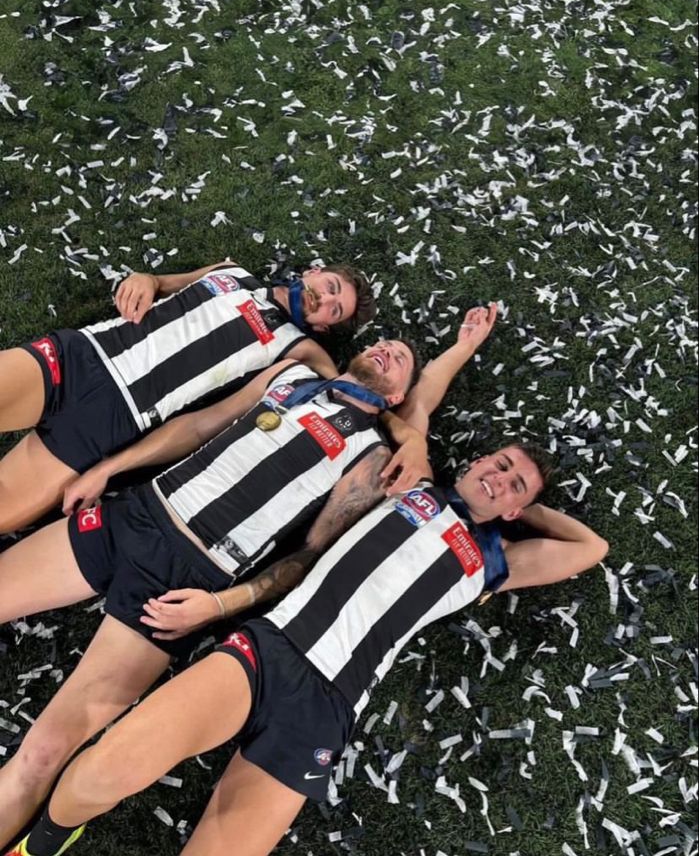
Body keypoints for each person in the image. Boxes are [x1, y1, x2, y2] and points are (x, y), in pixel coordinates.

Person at [9, 365, 609, 856]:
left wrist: (519, 508)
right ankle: (40, 846)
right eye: (499, 465)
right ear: (475, 462)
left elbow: (590, 549)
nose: (501, 480)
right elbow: (414, 407)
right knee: (98, 774)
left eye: (516, 486)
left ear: (516, 512)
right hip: (268, 648)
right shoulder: (408, 479)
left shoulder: (494, 563)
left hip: (331, 704)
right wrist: (455, 367)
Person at [0, 312, 452, 849]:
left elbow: (308, 559)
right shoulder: (292, 375)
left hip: (186, 579)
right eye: (384, 342)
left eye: (400, 360)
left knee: (46, 750)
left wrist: (216, 608)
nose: (386, 351)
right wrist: (108, 469)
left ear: (401, 395)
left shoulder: (378, 456)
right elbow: (199, 425)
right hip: (135, 514)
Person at [0, 258, 375, 531]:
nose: (324, 300)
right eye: (331, 287)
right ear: (314, 272)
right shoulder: (233, 272)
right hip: (82, 356)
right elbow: (162, 283)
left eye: (334, 310)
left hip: (115, 419)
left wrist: (407, 438)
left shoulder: (301, 350)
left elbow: (369, 392)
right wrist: (146, 279)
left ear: (325, 328)